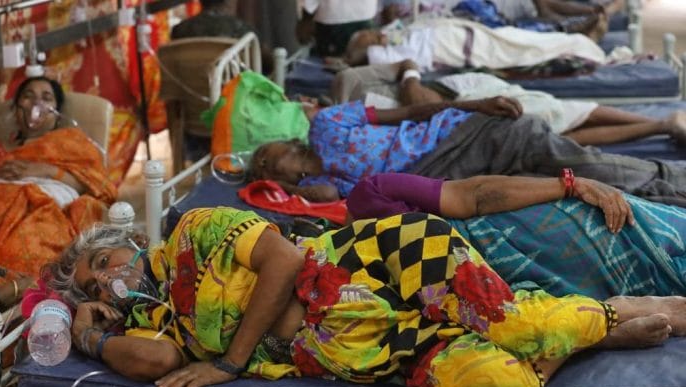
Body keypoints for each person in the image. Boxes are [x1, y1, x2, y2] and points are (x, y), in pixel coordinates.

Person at [45, 206, 686, 387]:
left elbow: (286, 260)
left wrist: (229, 362)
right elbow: (153, 368)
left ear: (126, 241)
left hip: (388, 261)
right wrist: (86, 327)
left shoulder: (192, 231)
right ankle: (585, 334)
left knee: (511, 325)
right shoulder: (158, 324)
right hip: (381, 351)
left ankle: (615, 316)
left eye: (103, 263)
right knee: (495, 381)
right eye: (94, 285)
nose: (108, 280)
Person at [248, 83, 686, 208]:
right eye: (266, 172)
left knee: (585, 165)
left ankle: (674, 178)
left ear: (288, 141)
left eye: (268, 157)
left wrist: (477, 103)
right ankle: (672, 200)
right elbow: (333, 197)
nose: (273, 167)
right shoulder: (326, 183)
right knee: (579, 192)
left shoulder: (326, 123)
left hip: (465, 133)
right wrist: (290, 191)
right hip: (456, 179)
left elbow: (407, 113)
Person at [347, 172, 686, 300]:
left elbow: (474, 197)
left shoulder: (370, 198)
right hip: (535, 279)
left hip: (552, 234)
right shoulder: (347, 295)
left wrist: (573, 184)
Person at [330, 60, 686, 146]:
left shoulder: (349, 81)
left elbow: (409, 70)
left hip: (461, 95)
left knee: (550, 111)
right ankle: (660, 124)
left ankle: (664, 122)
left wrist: (409, 83)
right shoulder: (340, 126)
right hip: (445, 123)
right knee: (546, 136)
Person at [0, 76, 117, 277]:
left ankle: (19, 290)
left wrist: (46, 171)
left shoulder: (71, 141)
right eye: (28, 96)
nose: (36, 104)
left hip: (44, 207)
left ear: (57, 113)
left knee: (27, 244)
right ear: (16, 109)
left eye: (46, 98)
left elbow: (98, 187)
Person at [341, 16, 606, 69]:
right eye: (371, 38)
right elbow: (364, 58)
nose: (376, 34)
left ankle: (576, 41)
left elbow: (397, 28)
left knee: (528, 39)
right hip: (463, 47)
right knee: (528, 49)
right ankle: (578, 44)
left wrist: (386, 36)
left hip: (466, 32)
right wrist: (352, 58)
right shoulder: (384, 55)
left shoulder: (393, 36)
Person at [171, 0, 274, 74]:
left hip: (190, 100)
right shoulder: (245, 32)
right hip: (233, 100)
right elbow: (268, 66)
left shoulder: (179, 31)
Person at [297, 0, 380, 56]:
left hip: (334, 23)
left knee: (329, 68)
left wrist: (305, 22)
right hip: (366, 20)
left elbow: (309, 6)